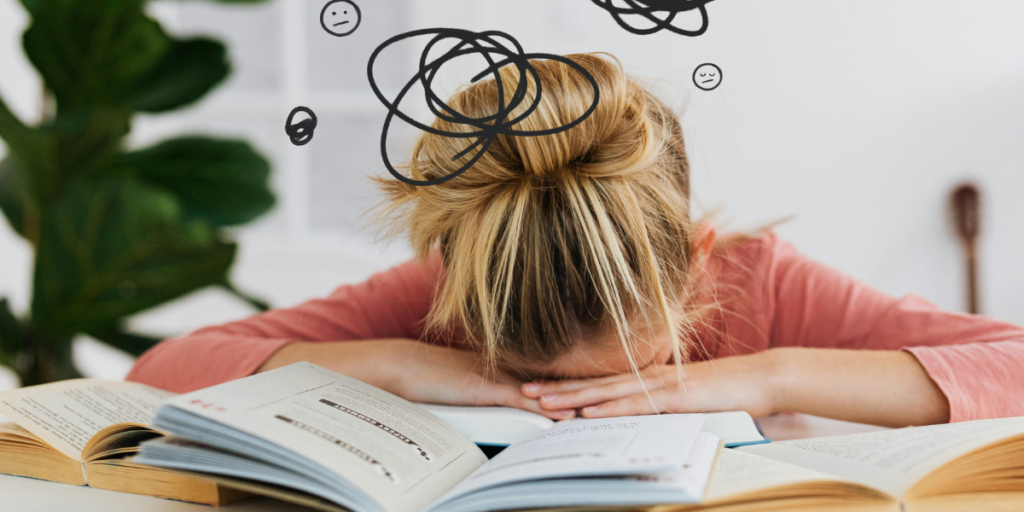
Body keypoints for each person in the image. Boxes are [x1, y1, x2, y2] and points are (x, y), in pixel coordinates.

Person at [127, 53, 1024, 427]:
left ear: (698, 260)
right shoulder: (442, 296)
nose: (583, 412)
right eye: (543, 384)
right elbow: (164, 368)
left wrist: (768, 374)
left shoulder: (764, 285)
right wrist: (399, 364)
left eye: (636, 379)